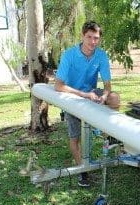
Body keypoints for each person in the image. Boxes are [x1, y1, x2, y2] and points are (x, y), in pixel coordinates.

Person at [55, 21, 120, 187]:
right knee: (75, 137)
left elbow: (107, 85)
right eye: (89, 37)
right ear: (82, 36)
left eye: (96, 38)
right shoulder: (69, 55)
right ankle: (82, 171)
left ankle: (111, 134)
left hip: (91, 92)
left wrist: (104, 96)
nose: (93, 42)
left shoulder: (101, 55)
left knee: (115, 98)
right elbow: (59, 85)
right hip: (71, 96)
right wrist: (84, 95)